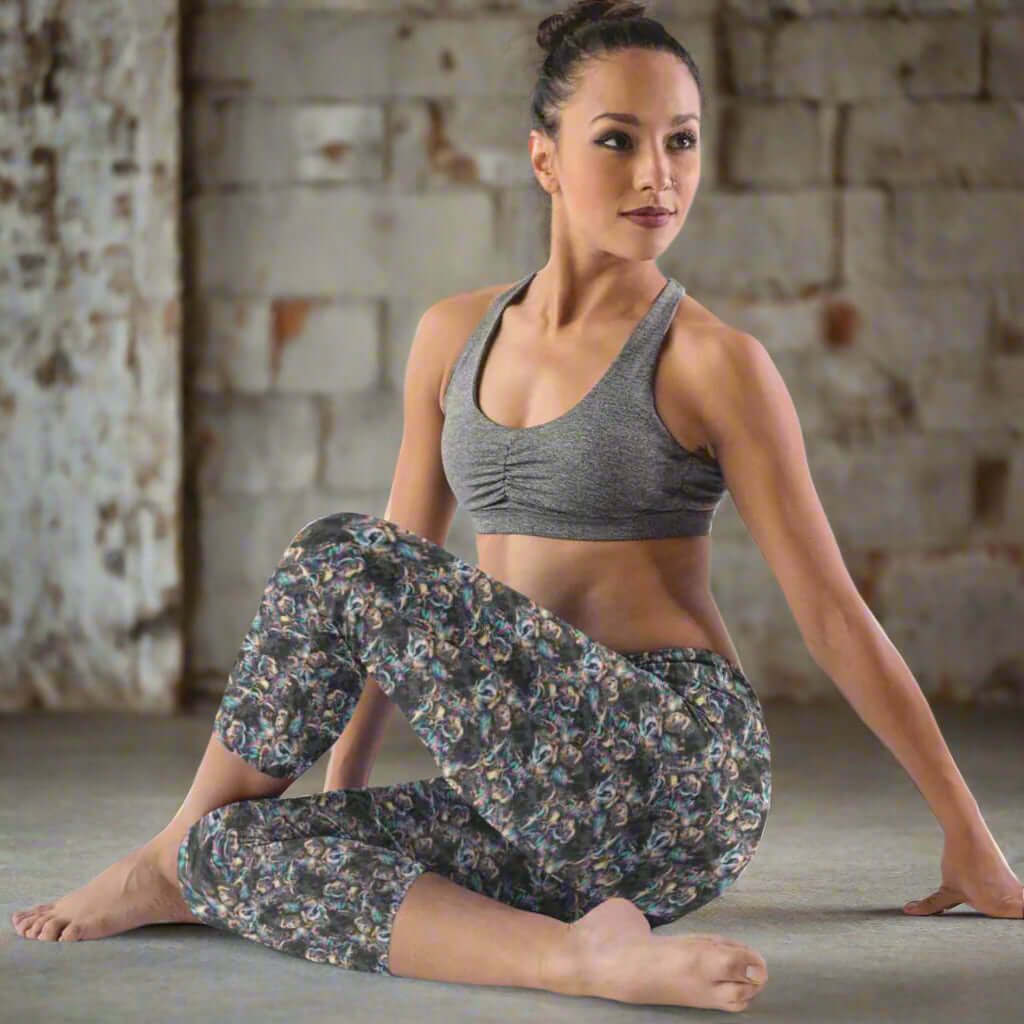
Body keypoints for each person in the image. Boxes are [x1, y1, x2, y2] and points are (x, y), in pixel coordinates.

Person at [12, 0, 1022, 1014]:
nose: (657, 175)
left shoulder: (712, 361)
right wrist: (344, 789)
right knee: (237, 851)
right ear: (544, 158)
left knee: (337, 553)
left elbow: (832, 613)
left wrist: (967, 834)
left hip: (672, 767)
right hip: (529, 789)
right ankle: (578, 957)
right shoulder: (453, 334)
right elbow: (389, 591)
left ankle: (162, 855)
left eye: (680, 141)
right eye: (617, 140)